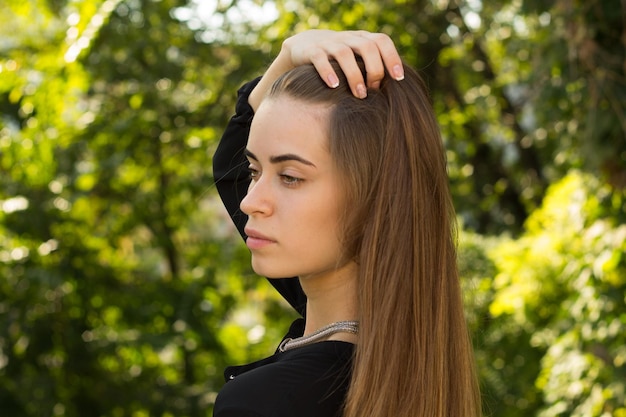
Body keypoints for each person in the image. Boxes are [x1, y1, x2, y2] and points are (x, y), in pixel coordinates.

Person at [212, 30, 481, 417]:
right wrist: (289, 57)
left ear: (373, 198)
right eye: (255, 171)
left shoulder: (263, 403)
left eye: (290, 177)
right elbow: (231, 168)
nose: (251, 202)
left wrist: (287, 56)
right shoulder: (412, 347)